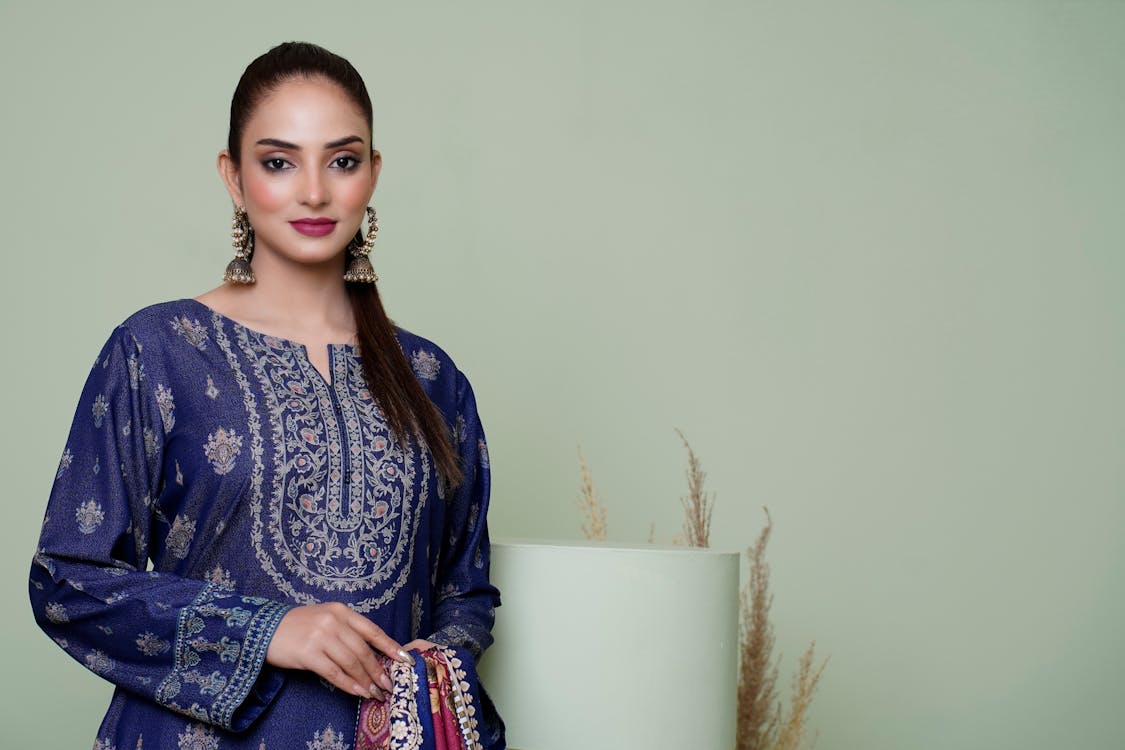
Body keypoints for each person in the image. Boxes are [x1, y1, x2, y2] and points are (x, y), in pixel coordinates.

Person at [28, 41, 503, 750]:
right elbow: (67, 580)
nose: (314, 191)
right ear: (233, 176)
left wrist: (429, 673)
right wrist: (266, 628)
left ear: (373, 173)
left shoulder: (433, 379)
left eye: (342, 161)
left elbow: (464, 591)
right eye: (278, 161)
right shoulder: (158, 351)